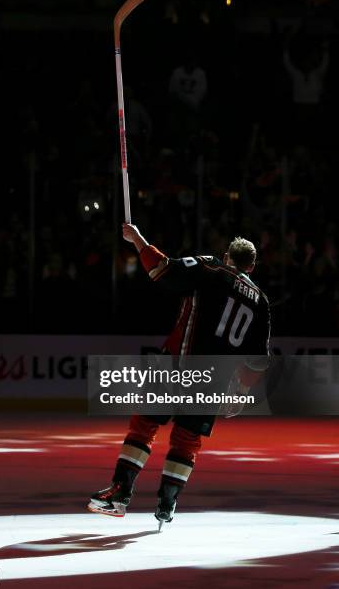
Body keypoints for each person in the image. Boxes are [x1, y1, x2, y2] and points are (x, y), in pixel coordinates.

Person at [88, 223, 271, 528]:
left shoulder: (211, 268)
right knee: (187, 440)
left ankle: (119, 495)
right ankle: (167, 504)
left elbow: (163, 269)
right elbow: (258, 361)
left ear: (227, 256)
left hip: (176, 364)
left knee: (144, 424)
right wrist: (239, 391)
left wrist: (138, 240)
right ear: (252, 267)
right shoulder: (261, 302)